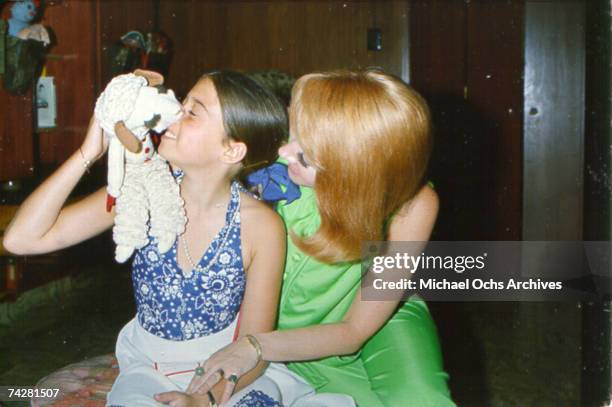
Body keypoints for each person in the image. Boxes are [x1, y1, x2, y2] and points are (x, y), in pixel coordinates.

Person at [3, 70, 291, 407]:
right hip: (147, 372)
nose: (170, 115)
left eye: (192, 112)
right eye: (180, 104)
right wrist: (88, 151)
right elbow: (20, 240)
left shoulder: (263, 227)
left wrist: (204, 400)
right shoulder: (142, 188)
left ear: (231, 151)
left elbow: (253, 347)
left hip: (224, 377)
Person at [178, 70, 456, 406]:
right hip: (289, 336)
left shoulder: (414, 204)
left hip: (378, 319)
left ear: (352, 169)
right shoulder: (272, 165)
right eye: (293, 135)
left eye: (305, 155)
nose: (283, 150)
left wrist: (255, 346)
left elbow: (355, 330)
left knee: (423, 400)